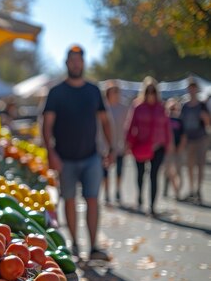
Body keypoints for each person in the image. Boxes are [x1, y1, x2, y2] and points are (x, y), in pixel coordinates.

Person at [41, 45, 114, 261]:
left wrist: (111, 147)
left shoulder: (93, 90)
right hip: (64, 159)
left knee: (93, 200)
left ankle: (93, 247)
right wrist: (50, 153)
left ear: (83, 63)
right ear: (66, 63)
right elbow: (46, 126)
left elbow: (104, 120)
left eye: (79, 60)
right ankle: (74, 244)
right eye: (72, 60)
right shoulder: (56, 93)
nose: (75, 63)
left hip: (91, 156)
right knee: (69, 200)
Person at [126, 77, 172, 216]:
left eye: (153, 91)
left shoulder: (161, 107)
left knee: (154, 175)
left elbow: (166, 126)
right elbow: (131, 124)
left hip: (158, 146)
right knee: (140, 174)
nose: (150, 94)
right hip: (141, 146)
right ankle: (140, 197)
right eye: (148, 91)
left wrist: (169, 144)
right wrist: (128, 143)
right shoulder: (138, 106)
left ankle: (152, 206)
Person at [179, 77, 210, 203]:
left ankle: (198, 190)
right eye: (190, 87)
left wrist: (205, 117)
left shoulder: (202, 105)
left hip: (201, 138)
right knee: (190, 166)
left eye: (194, 87)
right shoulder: (185, 106)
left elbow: (208, 123)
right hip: (188, 140)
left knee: (200, 166)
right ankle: (191, 189)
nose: (192, 90)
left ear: (197, 89)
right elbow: (181, 124)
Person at [100, 81, 129, 205]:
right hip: (105, 146)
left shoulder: (124, 108)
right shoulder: (103, 108)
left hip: (120, 145)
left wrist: (127, 143)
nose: (116, 94)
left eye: (117, 91)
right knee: (105, 172)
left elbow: (128, 126)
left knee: (119, 171)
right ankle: (106, 193)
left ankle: (117, 190)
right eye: (113, 91)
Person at [163, 98, 185, 198]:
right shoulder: (165, 119)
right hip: (168, 149)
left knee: (178, 171)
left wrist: (180, 147)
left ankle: (177, 191)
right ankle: (169, 189)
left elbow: (184, 135)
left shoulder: (180, 120)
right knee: (167, 170)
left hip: (178, 149)